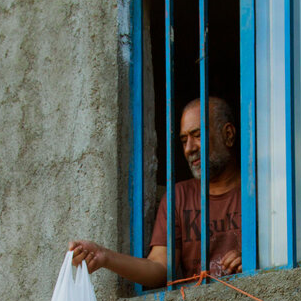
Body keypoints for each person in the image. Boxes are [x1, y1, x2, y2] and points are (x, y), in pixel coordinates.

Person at [70, 96, 242, 288]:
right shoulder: (178, 197)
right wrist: (105, 257)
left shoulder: (259, 191)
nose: (189, 148)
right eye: (184, 140)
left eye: (198, 135)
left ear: (228, 134)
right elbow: (160, 267)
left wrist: (251, 260)